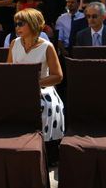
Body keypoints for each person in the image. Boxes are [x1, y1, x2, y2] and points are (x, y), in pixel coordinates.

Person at [7, 8, 64, 146]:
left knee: (44, 106)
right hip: (19, 89)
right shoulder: (14, 43)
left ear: (32, 24)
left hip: (42, 89)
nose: (17, 27)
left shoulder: (47, 47)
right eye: (16, 24)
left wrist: (34, 83)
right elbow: (8, 70)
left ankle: (45, 149)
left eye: (21, 24)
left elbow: (58, 76)